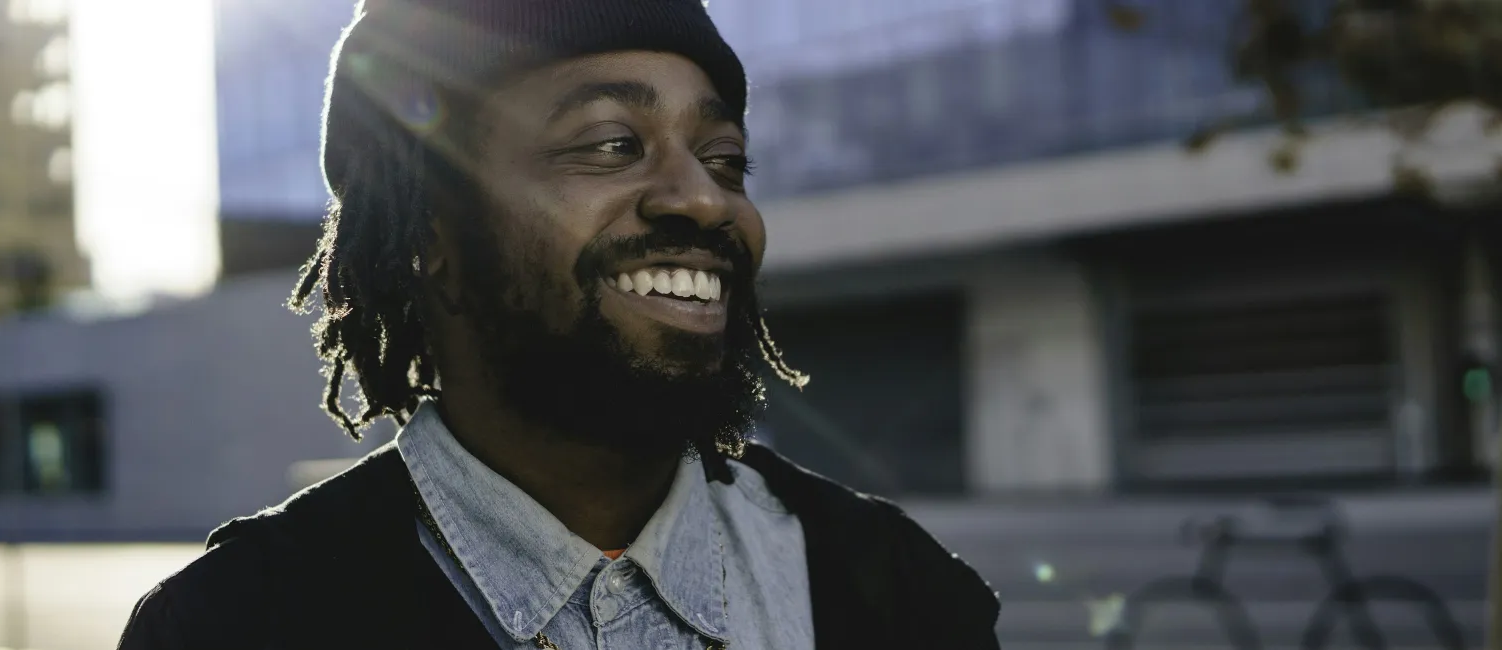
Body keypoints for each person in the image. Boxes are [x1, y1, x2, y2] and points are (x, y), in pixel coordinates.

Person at [115, 0, 1000, 647]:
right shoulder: (238, 628)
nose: (703, 197)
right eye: (612, 143)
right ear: (430, 232)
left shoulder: (902, 595)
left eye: (726, 160)